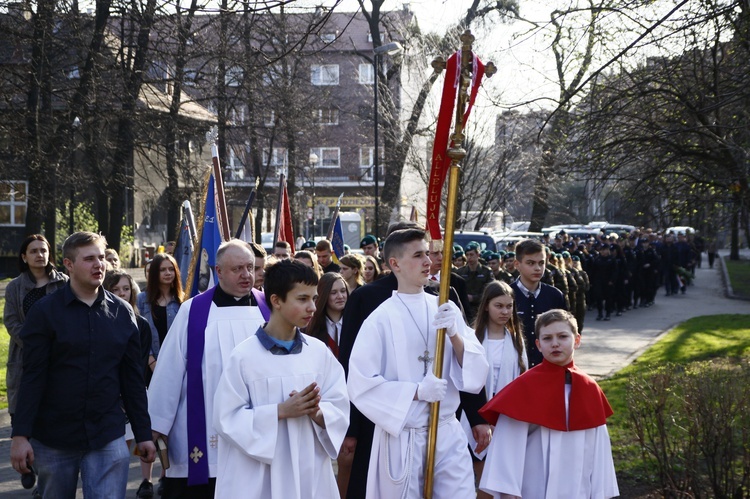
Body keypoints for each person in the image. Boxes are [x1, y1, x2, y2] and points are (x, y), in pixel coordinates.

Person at [10, 231, 156, 497]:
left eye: (101, 258)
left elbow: (132, 379)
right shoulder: (44, 313)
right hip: (54, 436)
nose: (99, 264)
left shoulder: (123, 314)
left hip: (107, 434)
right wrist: (20, 435)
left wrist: (143, 432)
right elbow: (31, 376)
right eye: (89, 259)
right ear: (68, 264)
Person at [347, 228, 489, 498]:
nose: (428, 261)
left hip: (446, 430)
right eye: (418, 255)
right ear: (395, 264)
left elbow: (476, 371)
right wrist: (416, 391)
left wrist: (455, 335)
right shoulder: (380, 319)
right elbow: (360, 382)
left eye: (428, 253)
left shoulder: (445, 307)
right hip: (404, 436)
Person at [212, 260, 349, 498]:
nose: (313, 308)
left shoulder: (318, 353)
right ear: (276, 300)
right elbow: (226, 418)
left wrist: (319, 413)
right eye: (302, 299)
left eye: (314, 299)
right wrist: (279, 411)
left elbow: (339, 404)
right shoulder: (244, 357)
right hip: (260, 475)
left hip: (309, 470)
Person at [147, 240, 266, 498]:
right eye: (237, 269)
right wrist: (156, 425)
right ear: (219, 271)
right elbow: (169, 370)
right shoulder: (194, 311)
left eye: (250, 267)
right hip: (204, 428)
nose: (247, 275)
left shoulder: (269, 309)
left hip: (258, 427)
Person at [478, 309, 619, 498]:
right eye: (547, 338)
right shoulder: (524, 387)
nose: (555, 344)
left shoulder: (590, 388)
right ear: (538, 344)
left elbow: (600, 451)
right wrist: (507, 493)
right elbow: (507, 446)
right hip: (533, 486)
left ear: (576, 340)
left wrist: (600, 493)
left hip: (579, 488)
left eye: (562, 336)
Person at [467, 281, 527, 499]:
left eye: (509, 306)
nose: (504, 312)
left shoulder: (515, 340)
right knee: (486, 481)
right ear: (486, 306)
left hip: (507, 417)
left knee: (506, 482)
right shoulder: (472, 339)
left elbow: (523, 380)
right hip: (477, 416)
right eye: (498, 306)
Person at [103, 269, 156, 499]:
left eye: (125, 288)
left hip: (131, 393)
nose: (122, 293)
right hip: (106, 394)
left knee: (127, 449)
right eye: (115, 289)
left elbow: (138, 364)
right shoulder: (100, 320)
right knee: (114, 454)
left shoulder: (141, 324)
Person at [511, 239, 566, 368]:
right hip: (516, 367)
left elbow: (565, 333)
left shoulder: (554, 296)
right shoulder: (507, 295)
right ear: (517, 264)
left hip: (549, 366)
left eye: (541, 263)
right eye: (530, 263)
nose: (537, 268)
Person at [137, 252, 184, 372]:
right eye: (162, 270)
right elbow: (138, 334)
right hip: (150, 365)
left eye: (171, 269)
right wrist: (151, 361)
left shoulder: (183, 300)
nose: (168, 273)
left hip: (177, 364)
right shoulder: (142, 299)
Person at [305, 272, 349, 358]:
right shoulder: (310, 326)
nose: (340, 296)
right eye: (333, 292)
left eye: (343, 291)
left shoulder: (357, 323)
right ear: (324, 295)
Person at [456, 242, 495, 322]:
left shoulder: (486, 272)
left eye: (471, 254)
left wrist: (473, 298)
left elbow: (491, 292)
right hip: (465, 309)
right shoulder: (460, 272)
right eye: (467, 255)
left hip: (481, 309)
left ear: (478, 255)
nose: (469, 257)